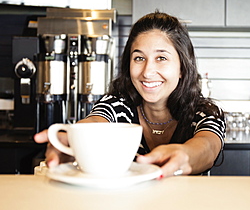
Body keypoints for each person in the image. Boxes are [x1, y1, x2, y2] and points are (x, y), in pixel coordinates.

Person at [34, 11, 226, 178]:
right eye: (139, 58)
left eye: (161, 58)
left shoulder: (204, 112)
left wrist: (186, 154)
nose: (147, 71)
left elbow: (208, 147)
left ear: (182, 68)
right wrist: (76, 138)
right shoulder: (118, 105)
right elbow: (96, 122)